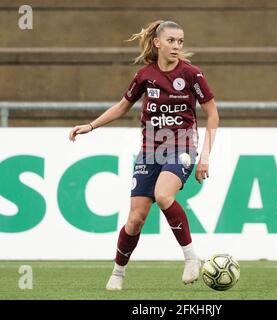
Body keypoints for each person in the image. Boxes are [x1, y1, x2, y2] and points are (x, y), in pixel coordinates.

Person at [69, 20, 219, 291]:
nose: (177, 46)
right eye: (171, 40)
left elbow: (212, 114)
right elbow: (122, 106)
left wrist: (205, 155)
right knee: (135, 219)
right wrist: (90, 126)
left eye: (181, 41)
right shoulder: (145, 76)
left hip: (182, 147)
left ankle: (191, 258)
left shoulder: (192, 74)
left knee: (163, 196)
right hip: (149, 153)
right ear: (157, 43)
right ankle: (118, 273)